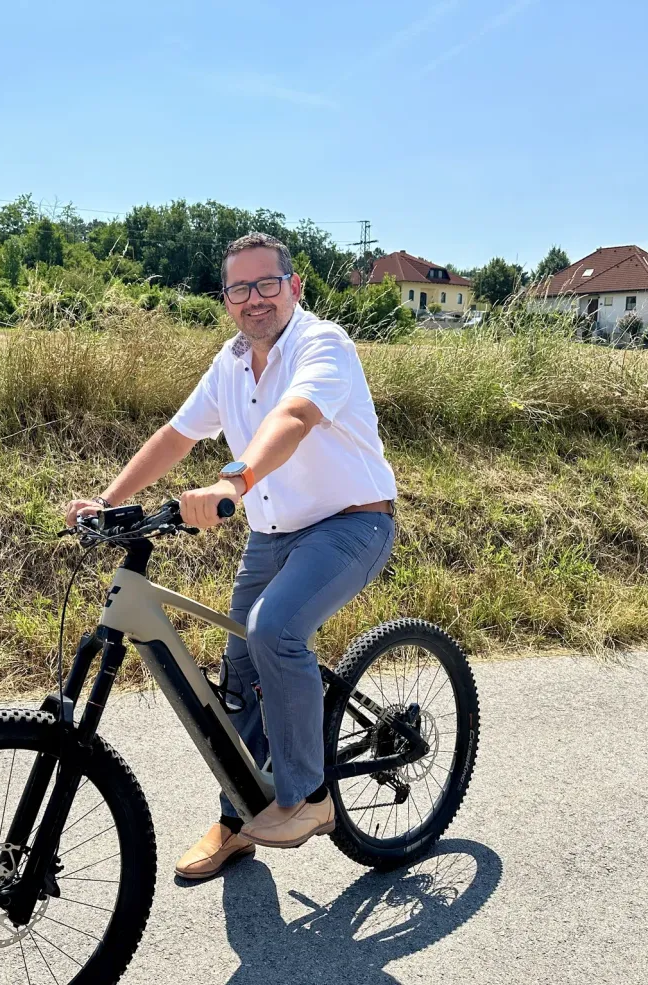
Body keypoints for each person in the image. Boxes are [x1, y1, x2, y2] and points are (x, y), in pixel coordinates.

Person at [63, 232, 397, 880]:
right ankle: (239, 817)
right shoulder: (231, 361)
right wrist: (107, 500)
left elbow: (293, 418)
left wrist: (232, 482)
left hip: (351, 524)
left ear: (294, 287)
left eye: (267, 283)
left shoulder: (322, 343)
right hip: (273, 535)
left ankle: (310, 796)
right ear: (226, 299)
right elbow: (176, 434)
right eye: (239, 288)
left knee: (273, 630)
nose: (254, 298)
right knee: (238, 674)